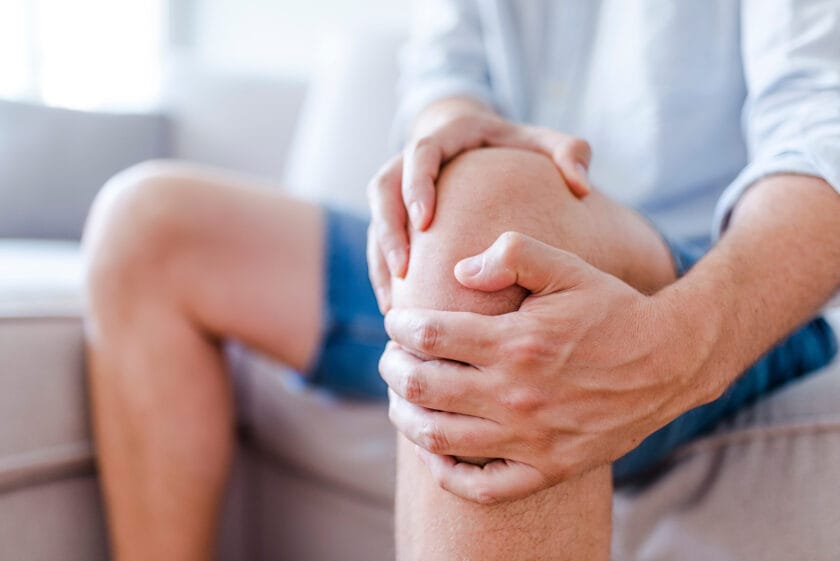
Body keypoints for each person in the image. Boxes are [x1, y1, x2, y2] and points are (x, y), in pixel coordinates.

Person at [82, 1, 840, 560]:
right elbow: (444, 75)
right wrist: (447, 133)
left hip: (716, 275)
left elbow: (823, 142)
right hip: (475, 242)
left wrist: (677, 343)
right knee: (144, 225)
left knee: (492, 235)